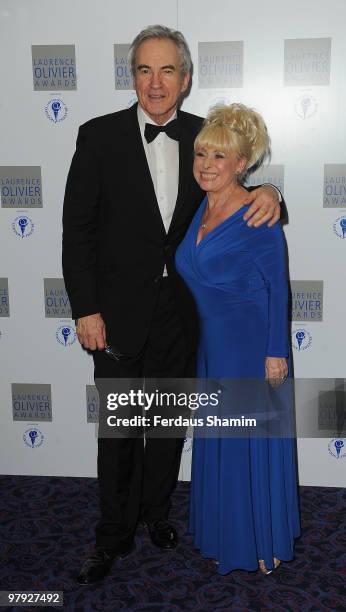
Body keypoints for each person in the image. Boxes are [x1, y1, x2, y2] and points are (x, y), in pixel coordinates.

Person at [62, 25, 281, 585]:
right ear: (131, 76)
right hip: (113, 315)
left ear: (185, 80)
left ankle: (156, 515)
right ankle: (112, 537)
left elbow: (241, 188)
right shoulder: (97, 136)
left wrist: (274, 193)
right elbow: (77, 230)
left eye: (167, 71)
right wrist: (86, 308)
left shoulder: (202, 136)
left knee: (163, 428)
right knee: (118, 433)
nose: (155, 83)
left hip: (182, 319)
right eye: (144, 70)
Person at [175, 103, 300, 574]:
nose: (206, 165)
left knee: (251, 444)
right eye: (201, 154)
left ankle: (262, 540)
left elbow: (278, 288)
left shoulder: (257, 213)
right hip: (213, 350)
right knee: (222, 441)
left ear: (241, 164)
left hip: (251, 350)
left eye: (219, 157)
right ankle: (223, 532)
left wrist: (276, 353)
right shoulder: (199, 206)